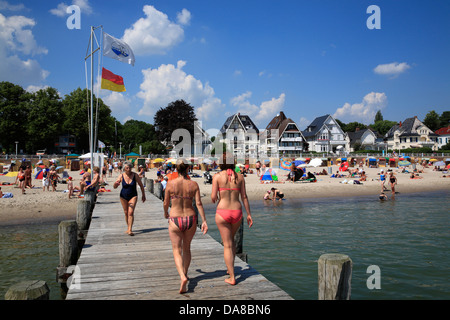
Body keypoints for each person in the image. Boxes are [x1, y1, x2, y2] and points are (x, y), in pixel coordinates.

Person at [164, 159, 208, 294]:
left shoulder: (170, 184)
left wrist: (166, 213)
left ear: (176, 169)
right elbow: (199, 204)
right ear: (188, 169)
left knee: (176, 250)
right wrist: (204, 221)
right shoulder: (193, 184)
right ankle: (185, 272)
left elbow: (166, 203)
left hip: (175, 218)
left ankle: (182, 276)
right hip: (190, 218)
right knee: (187, 248)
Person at [211, 153, 253, 286]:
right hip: (237, 212)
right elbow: (244, 197)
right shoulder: (240, 177)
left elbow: (213, 197)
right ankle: (230, 270)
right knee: (232, 243)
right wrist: (249, 214)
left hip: (223, 212)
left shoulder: (217, 177)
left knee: (227, 244)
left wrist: (217, 196)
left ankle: (232, 276)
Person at [113, 162, 146, 236]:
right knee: (126, 212)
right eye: (127, 168)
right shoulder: (121, 175)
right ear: (124, 169)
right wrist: (116, 184)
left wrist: (143, 195)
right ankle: (128, 227)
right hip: (123, 196)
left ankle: (130, 229)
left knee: (130, 212)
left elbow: (141, 185)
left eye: (130, 168)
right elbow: (114, 186)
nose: (128, 169)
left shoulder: (135, 175)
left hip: (133, 195)